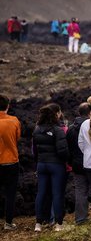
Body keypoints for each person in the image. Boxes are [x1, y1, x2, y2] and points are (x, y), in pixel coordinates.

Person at [32, 103, 69, 232]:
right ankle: (59, 224)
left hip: (41, 165)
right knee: (57, 194)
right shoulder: (57, 130)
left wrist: (38, 162)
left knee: (41, 193)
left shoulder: (36, 129)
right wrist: (66, 160)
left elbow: (34, 151)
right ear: (55, 115)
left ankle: (38, 224)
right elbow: (62, 151)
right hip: (56, 166)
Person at [66, 102, 91, 224]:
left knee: (81, 191)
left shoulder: (71, 129)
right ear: (90, 113)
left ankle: (81, 219)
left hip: (77, 164)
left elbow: (68, 148)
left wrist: (71, 162)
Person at [0, 95, 21, 230]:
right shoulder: (14, 121)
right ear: (7, 106)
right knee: (10, 194)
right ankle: (8, 222)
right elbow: (17, 138)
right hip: (11, 161)